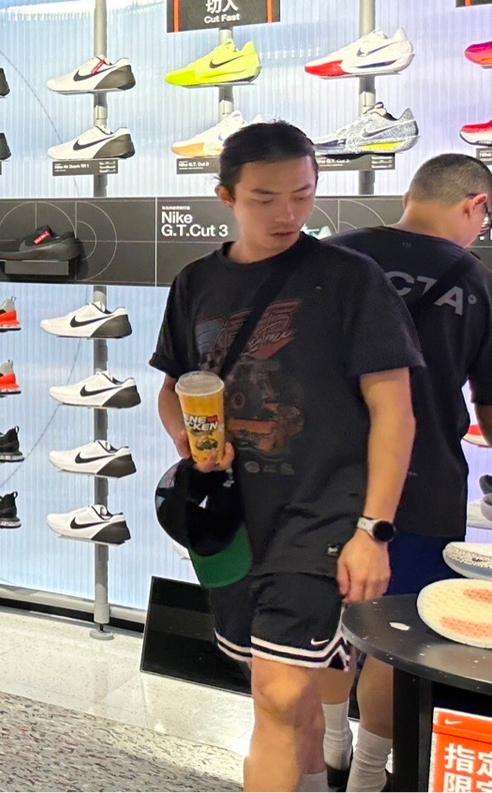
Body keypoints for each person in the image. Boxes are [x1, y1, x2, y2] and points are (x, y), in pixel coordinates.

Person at [151, 121, 420, 793]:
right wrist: (186, 439)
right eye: (265, 198)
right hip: (233, 521)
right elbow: (173, 387)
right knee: (281, 698)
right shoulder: (195, 282)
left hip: (323, 514)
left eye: (302, 194)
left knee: (277, 693)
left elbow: (395, 411)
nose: (287, 213)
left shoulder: (349, 279)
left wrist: (373, 529)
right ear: (226, 196)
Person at [318, 153, 492, 792]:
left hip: (328, 481)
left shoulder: (330, 258)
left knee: (329, 621)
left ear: (410, 196)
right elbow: (489, 407)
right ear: (475, 205)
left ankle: (331, 748)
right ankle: (369, 774)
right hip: (425, 484)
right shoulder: (477, 283)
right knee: (400, 632)